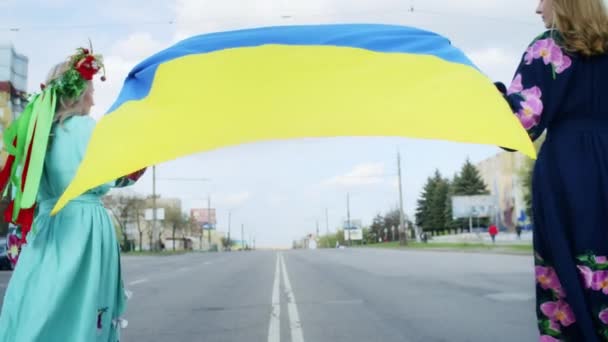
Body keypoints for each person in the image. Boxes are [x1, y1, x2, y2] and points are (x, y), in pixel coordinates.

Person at [0, 46, 146, 341]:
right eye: (90, 90)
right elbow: (116, 175)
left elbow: (20, 187)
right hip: (83, 225)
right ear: (78, 93)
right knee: (83, 303)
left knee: (40, 297)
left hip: (46, 224)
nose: (93, 98)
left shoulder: (37, 135)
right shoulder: (84, 129)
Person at [495, 0, 608, 340]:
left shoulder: (548, 47)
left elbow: (520, 126)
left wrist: (492, 98)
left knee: (567, 270)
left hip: (568, 174)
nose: (537, 8)